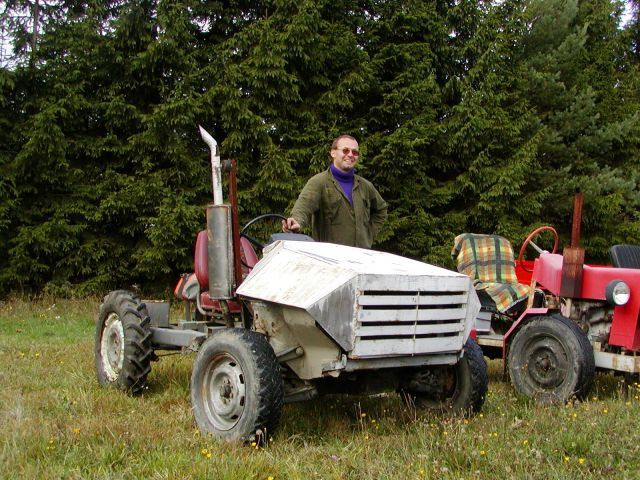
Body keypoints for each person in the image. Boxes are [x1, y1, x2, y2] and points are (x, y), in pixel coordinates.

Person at [282, 134, 388, 248]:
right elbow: (304, 206)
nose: (350, 155)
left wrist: (368, 235)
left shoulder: (366, 186)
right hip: (329, 256)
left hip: (361, 256)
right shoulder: (319, 182)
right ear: (333, 153)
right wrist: (296, 221)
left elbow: (381, 209)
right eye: (345, 150)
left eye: (355, 152)